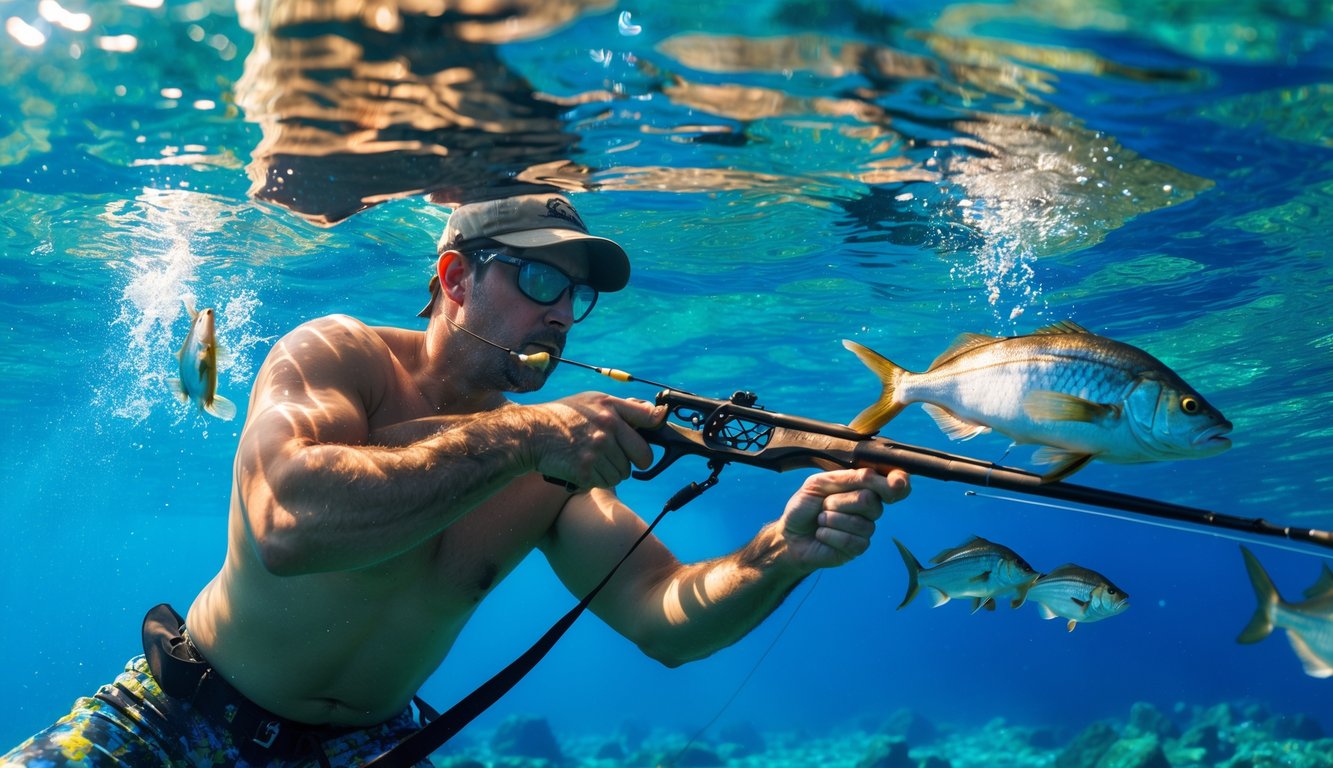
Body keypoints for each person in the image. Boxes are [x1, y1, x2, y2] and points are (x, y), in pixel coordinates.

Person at [2, 193, 910, 767]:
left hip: (375, 746)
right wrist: (522, 438)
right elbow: (288, 519)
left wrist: (779, 552)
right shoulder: (338, 353)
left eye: (573, 295)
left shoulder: (547, 452)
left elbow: (662, 614)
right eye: (537, 279)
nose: (560, 312)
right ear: (453, 277)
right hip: (177, 716)